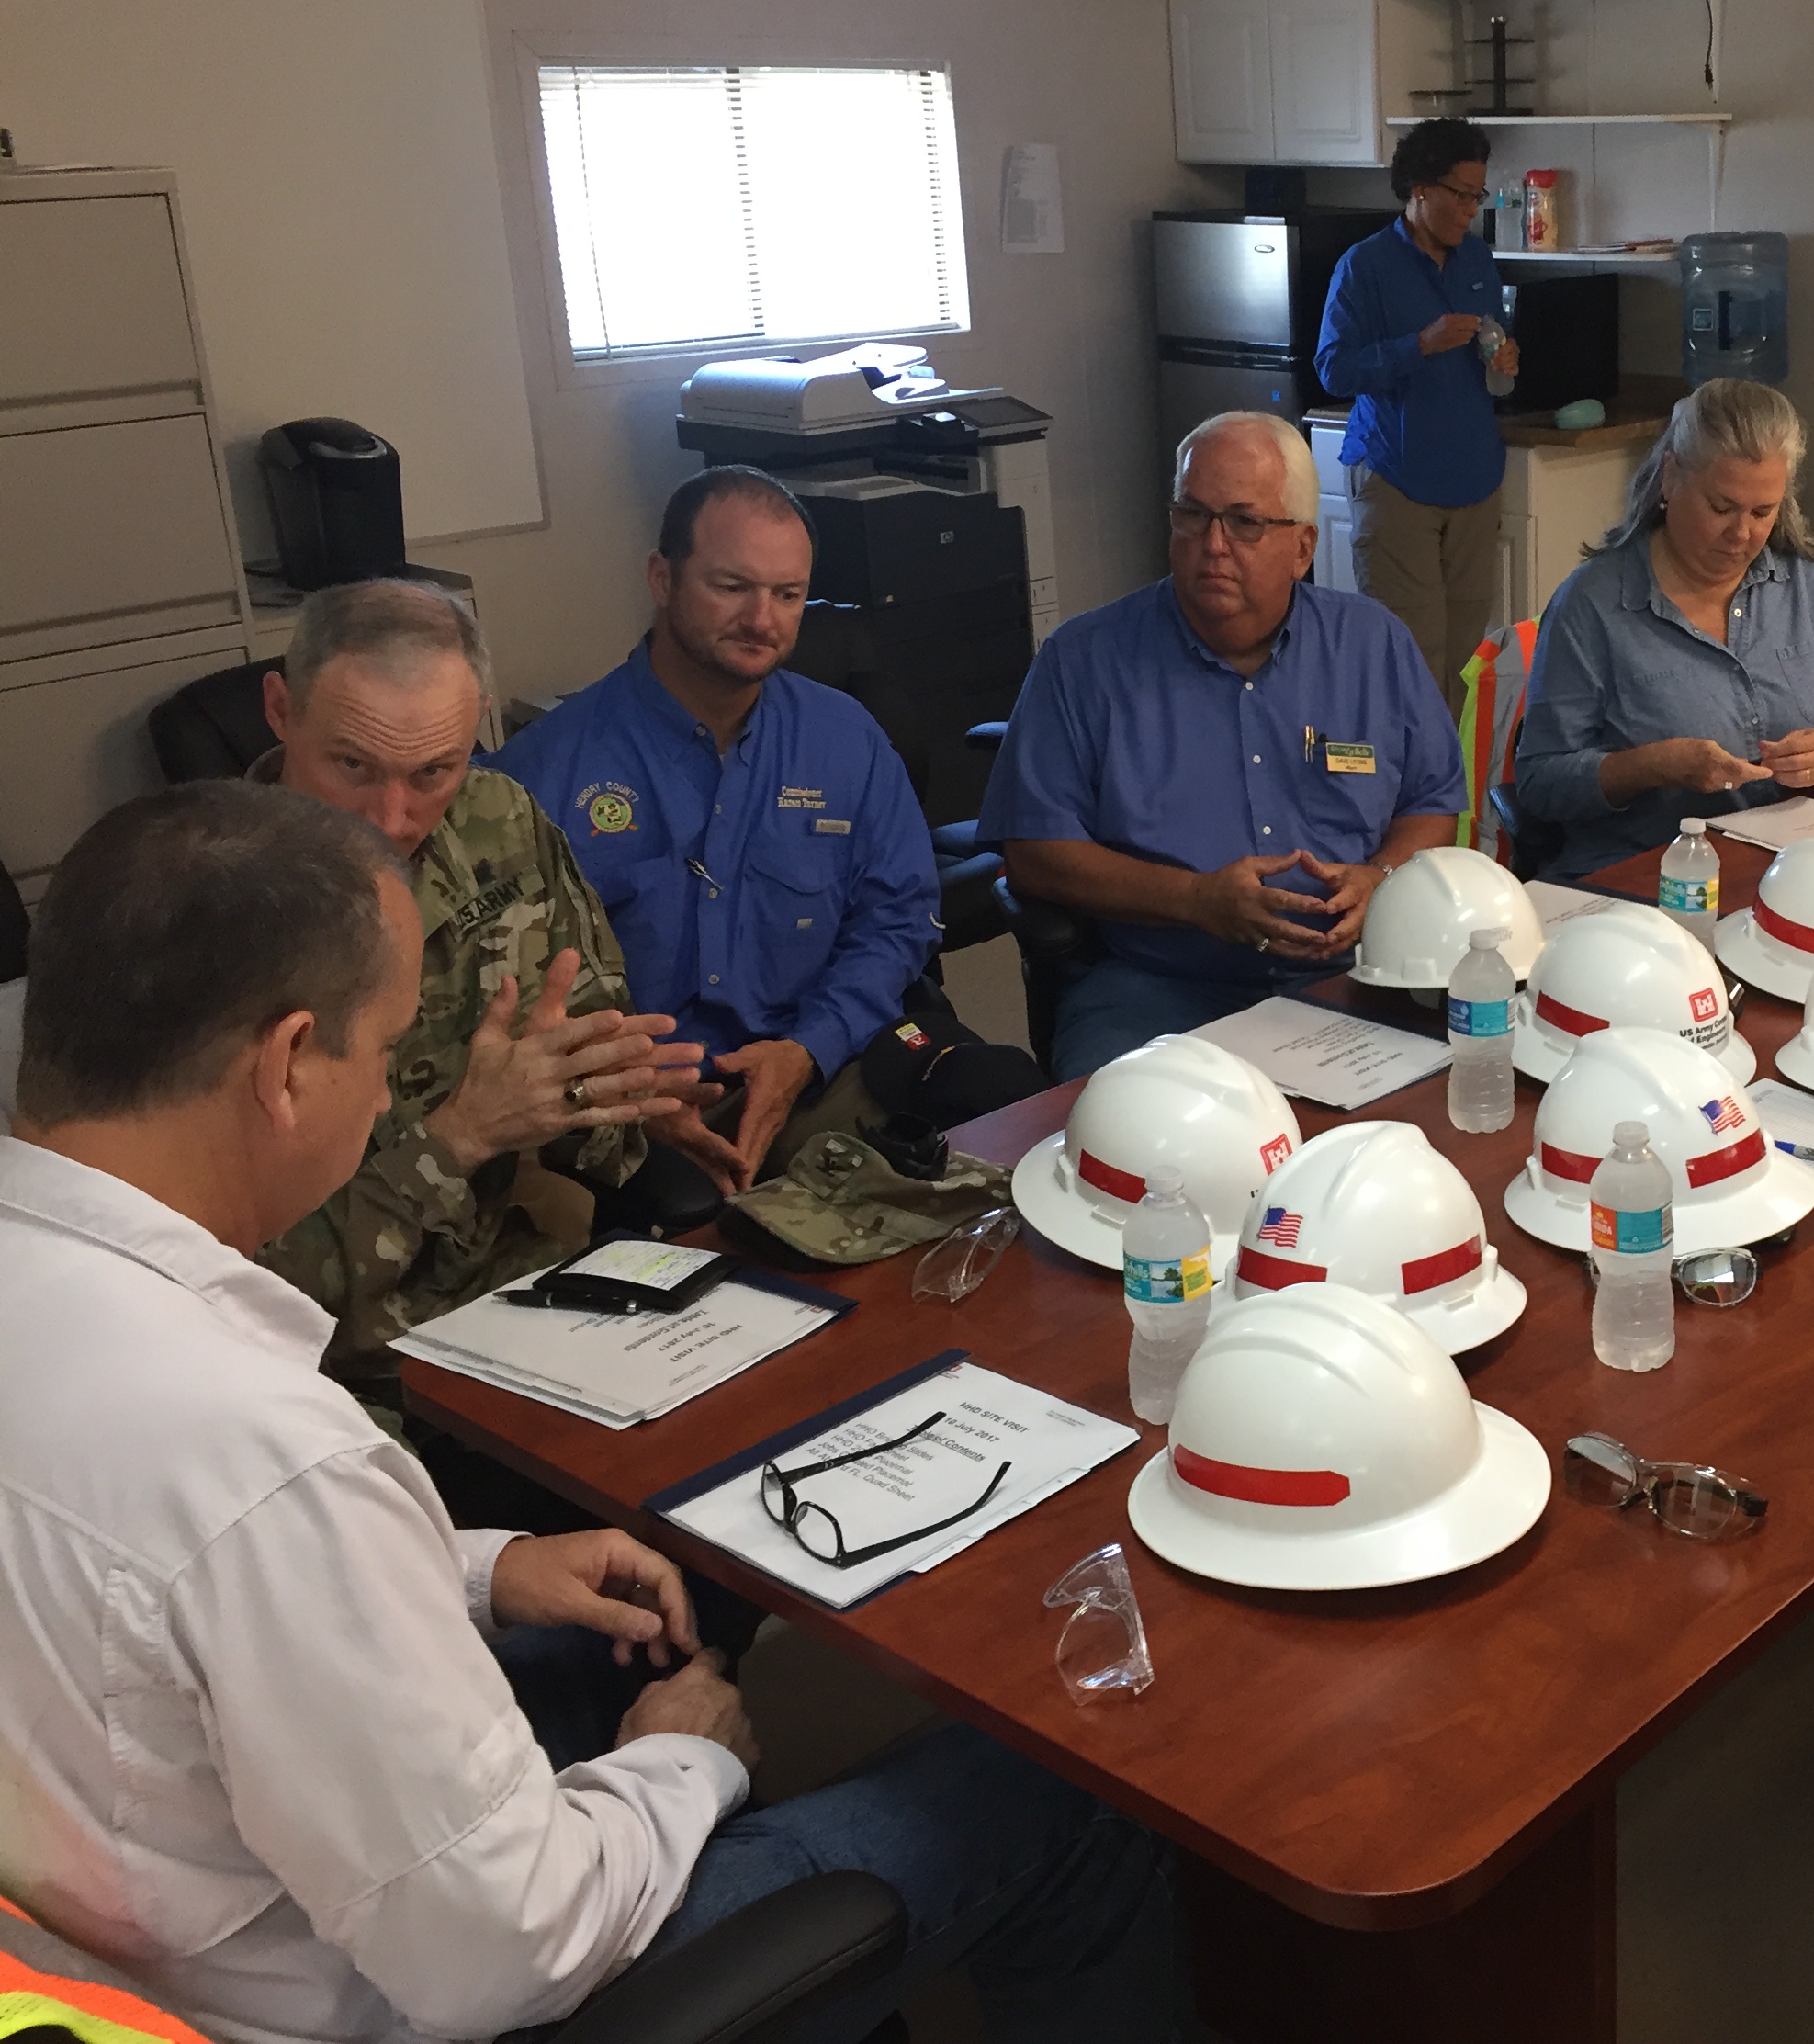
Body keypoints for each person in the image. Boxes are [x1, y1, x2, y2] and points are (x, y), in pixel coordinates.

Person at [0, 782, 1186, 2044]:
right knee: (1071, 1790)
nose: (391, 1091)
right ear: (290, 1065)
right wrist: (683, 1760)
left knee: (673, 1604)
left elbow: (155, 1595)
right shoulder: (264, 1460)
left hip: (138, 1915)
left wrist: (485, 1567)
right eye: (390, 1050)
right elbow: (508, 1954)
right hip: (400, 1995)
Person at [254, 580, 699, 1388]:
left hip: (528, 1286)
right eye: (354, 765)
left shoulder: (497, 819)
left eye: (434, 769)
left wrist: (597, 1095)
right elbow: (239, 1294)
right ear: (282, 711)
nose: (393, 817)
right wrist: (462, 1138)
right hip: (341, 1363)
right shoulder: (203, 914)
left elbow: (605, 1101)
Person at [495, 468, 943, 1191]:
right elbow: (509, 996)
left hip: (817, 1073)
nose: (762, 620)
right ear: (662, 579)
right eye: (732, 587)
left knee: (984, 1119)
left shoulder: (845, 740)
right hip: (631, 1114)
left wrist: (808, 1049)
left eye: (788, 595)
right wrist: (623, 1098)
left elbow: (899, 919)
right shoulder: (544, 773)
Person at [986, 412, 1463, 1078]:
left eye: (1244, 522)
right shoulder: (1084, 660)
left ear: (1302, 547)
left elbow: (1432, 802)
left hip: (1352, 978)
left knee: (1444, 1118)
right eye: (1193, 515)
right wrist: (1195, 899)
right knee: (1130, 1153)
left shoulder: (1373, 644)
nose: (1213, 545)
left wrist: (1380, 879)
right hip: (1158, 988)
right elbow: (1035, 853)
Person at [1514, 378, 1814, 884]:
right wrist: (1651, 767)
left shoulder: (1812, 578)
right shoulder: (1593, 604)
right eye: (1722, 507)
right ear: (1670, 478)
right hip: (1651, 877)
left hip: (1804, 869)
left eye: (1763, 512)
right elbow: (1539, 781)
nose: (1742, 533)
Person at [1315, 116, 1517, 712]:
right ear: (1420, 188)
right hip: (1397, 480)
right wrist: (1417, 345)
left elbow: (1492, 355)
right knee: (1408, 662)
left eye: (1477, 196)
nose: (1469, 210)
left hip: (1474, 479)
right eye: (1460, 195)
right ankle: (1405, 801)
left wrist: (1505, 355)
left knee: (1462, 664)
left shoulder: (1477, 260)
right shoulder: (1364, 266)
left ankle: (1454, 801)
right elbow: (1334, 369)